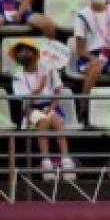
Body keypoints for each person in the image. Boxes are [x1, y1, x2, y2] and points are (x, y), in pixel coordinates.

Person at [9, 38, 75, 180]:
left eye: (26, 50)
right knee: (43, 121)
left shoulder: (48, 69)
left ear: (35, 53)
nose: (23, 54)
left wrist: (51, 107)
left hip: (51, 106)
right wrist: (38, 89)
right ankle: (46, 164)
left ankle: (66, 161)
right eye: (20, 52)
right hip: (30, 110)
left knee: (56, 120)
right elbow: (25, 103)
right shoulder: (17, 77)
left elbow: (57, 92)